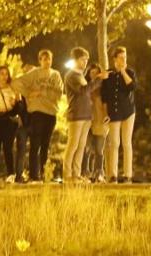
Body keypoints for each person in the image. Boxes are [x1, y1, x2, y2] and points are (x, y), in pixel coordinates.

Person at [13, 49, 64, 182]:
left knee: (46, 145)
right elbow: (16, 82)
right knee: (35, 144)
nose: (47, 61)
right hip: (37, 112)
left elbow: (58, 93)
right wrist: (29, 93)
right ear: (40, 60)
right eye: (44, 59)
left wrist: (44, 92)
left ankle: (44, 174)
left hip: (51, 112)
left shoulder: (56, 74)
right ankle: (34, 175)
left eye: (49, 59)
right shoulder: (34, 73)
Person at [101, 47, 138, 183]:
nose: (123, 60)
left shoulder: (130, 72)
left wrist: (123, 71)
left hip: (128, 111)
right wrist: (105, 113)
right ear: (115, 59)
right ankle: (112, 175)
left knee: (126, 142)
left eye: (125, 57)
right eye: (121, 57)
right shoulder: (108, 74)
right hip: (113, 112)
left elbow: (132, 87)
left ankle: (128, 175)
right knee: (114, 143)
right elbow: (104, 96)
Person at [63, 48, 94, 184]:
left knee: (81, 146)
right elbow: (83, 90)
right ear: (75, 60)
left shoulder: (81, 75)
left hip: (86, 115)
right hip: (76, 115)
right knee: (73, 145)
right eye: (82, 59)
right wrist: (98, 80)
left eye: (86, 59)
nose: (85, 62)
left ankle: (76, 174)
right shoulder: (71, 76)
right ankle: (67, 175)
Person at [85, 64, 108, 182]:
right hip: (87, 121)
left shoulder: (104, 88)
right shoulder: (85, 87)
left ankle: (99, 173)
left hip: (100, 121)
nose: (94, 75)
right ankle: (85, 173)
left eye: (96, 73)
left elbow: (105, 105)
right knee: (86, 148)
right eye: (91, 73)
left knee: (99, 150)